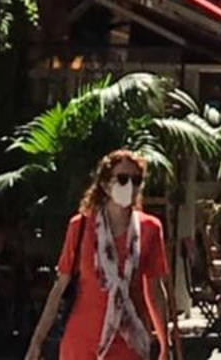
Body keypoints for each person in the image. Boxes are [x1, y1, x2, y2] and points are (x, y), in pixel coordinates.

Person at [25, 150, 170, 360]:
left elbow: (155, 290)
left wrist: (165, 344)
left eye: (136, 180)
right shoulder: (81, 226)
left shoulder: (150, 228)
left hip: (129, 345)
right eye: (122, 179)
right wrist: (37, 341)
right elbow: (60, 287)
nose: (129, 186)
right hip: (82, 342)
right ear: (104, 184)